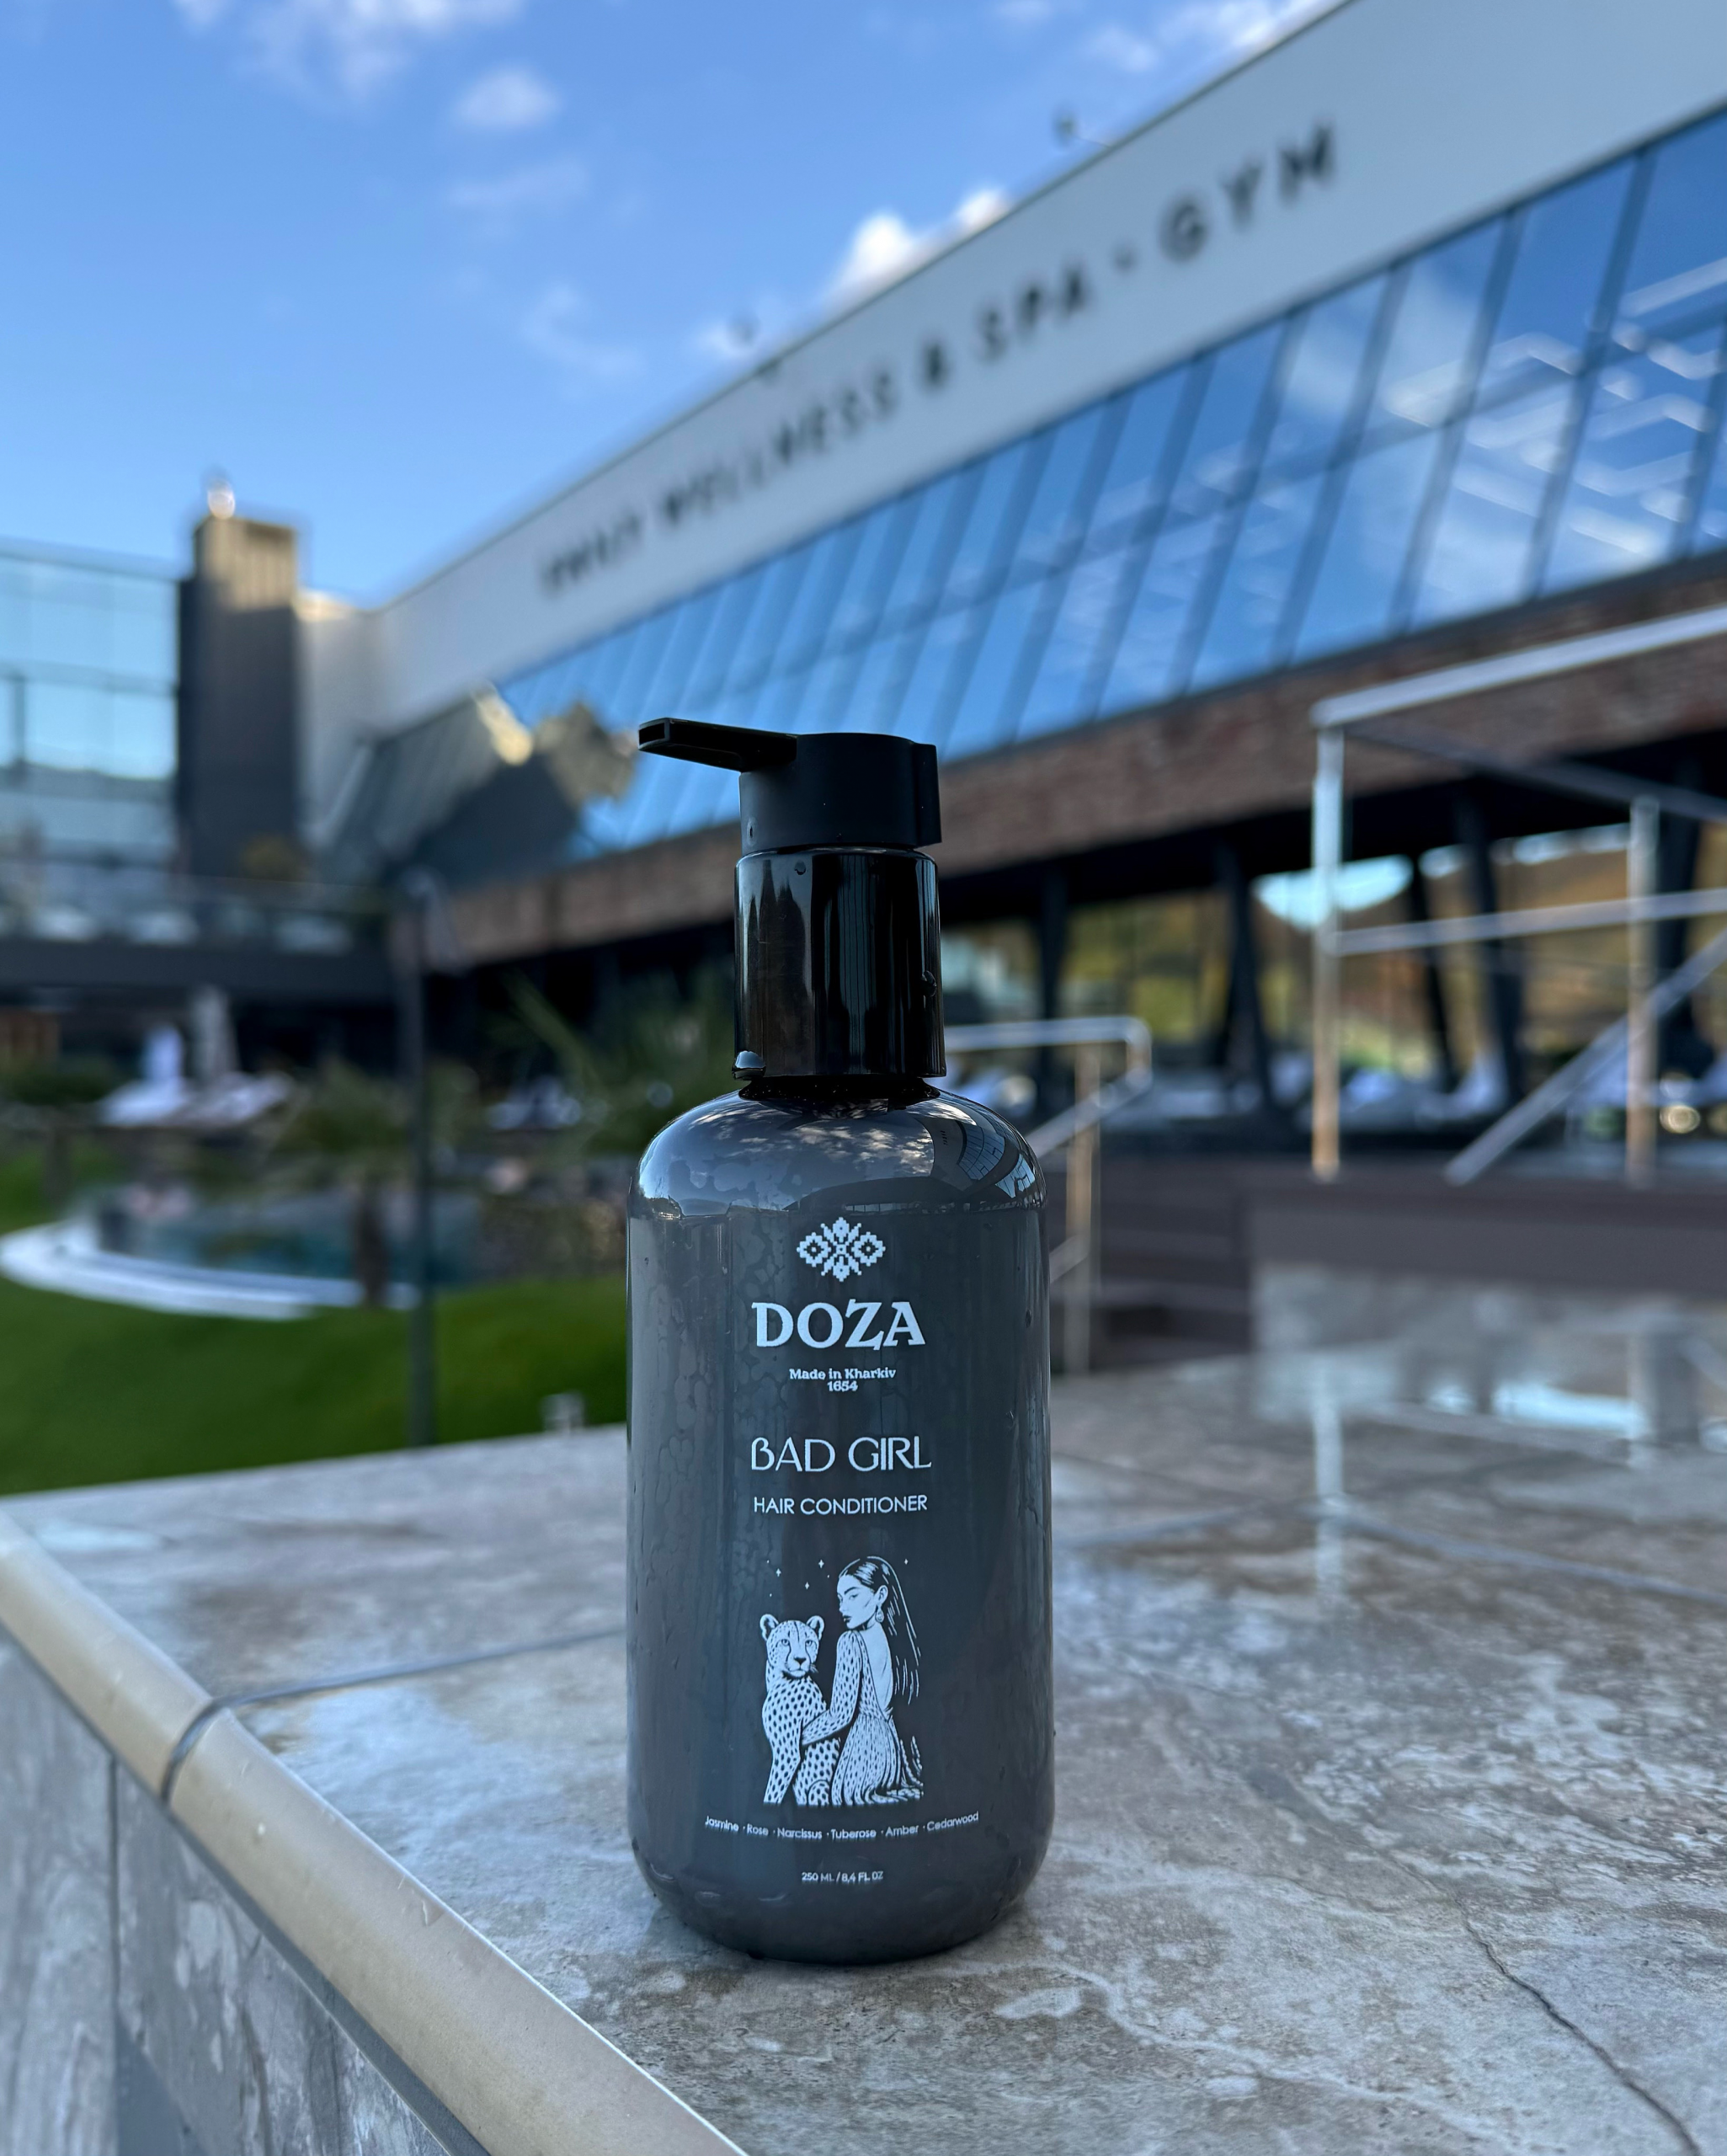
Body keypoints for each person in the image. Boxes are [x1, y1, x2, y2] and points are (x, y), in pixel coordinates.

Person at [800, 1555, 922, 1804]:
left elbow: (840, 1715)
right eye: (840, 1599)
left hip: (864, 1754)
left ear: (880, 1595)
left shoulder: (851, 1641)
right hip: (891, 1753)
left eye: (853, 1596)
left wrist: (798, 1738)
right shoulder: (891, 1638)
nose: (843, 1608)